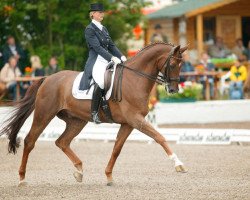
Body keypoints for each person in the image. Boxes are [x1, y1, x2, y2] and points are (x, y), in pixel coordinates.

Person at [78, 3, 127, 124]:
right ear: (93, 14)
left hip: (107, 60)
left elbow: (111, 45)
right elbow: (97, 48)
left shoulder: (103, 29)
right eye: (99, 12)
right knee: (100, 81)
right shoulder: (89, 29)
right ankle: (94, 112)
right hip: (96, 61)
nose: (102, 14)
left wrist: (121, 56)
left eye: (102, 12)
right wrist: (112, 58)